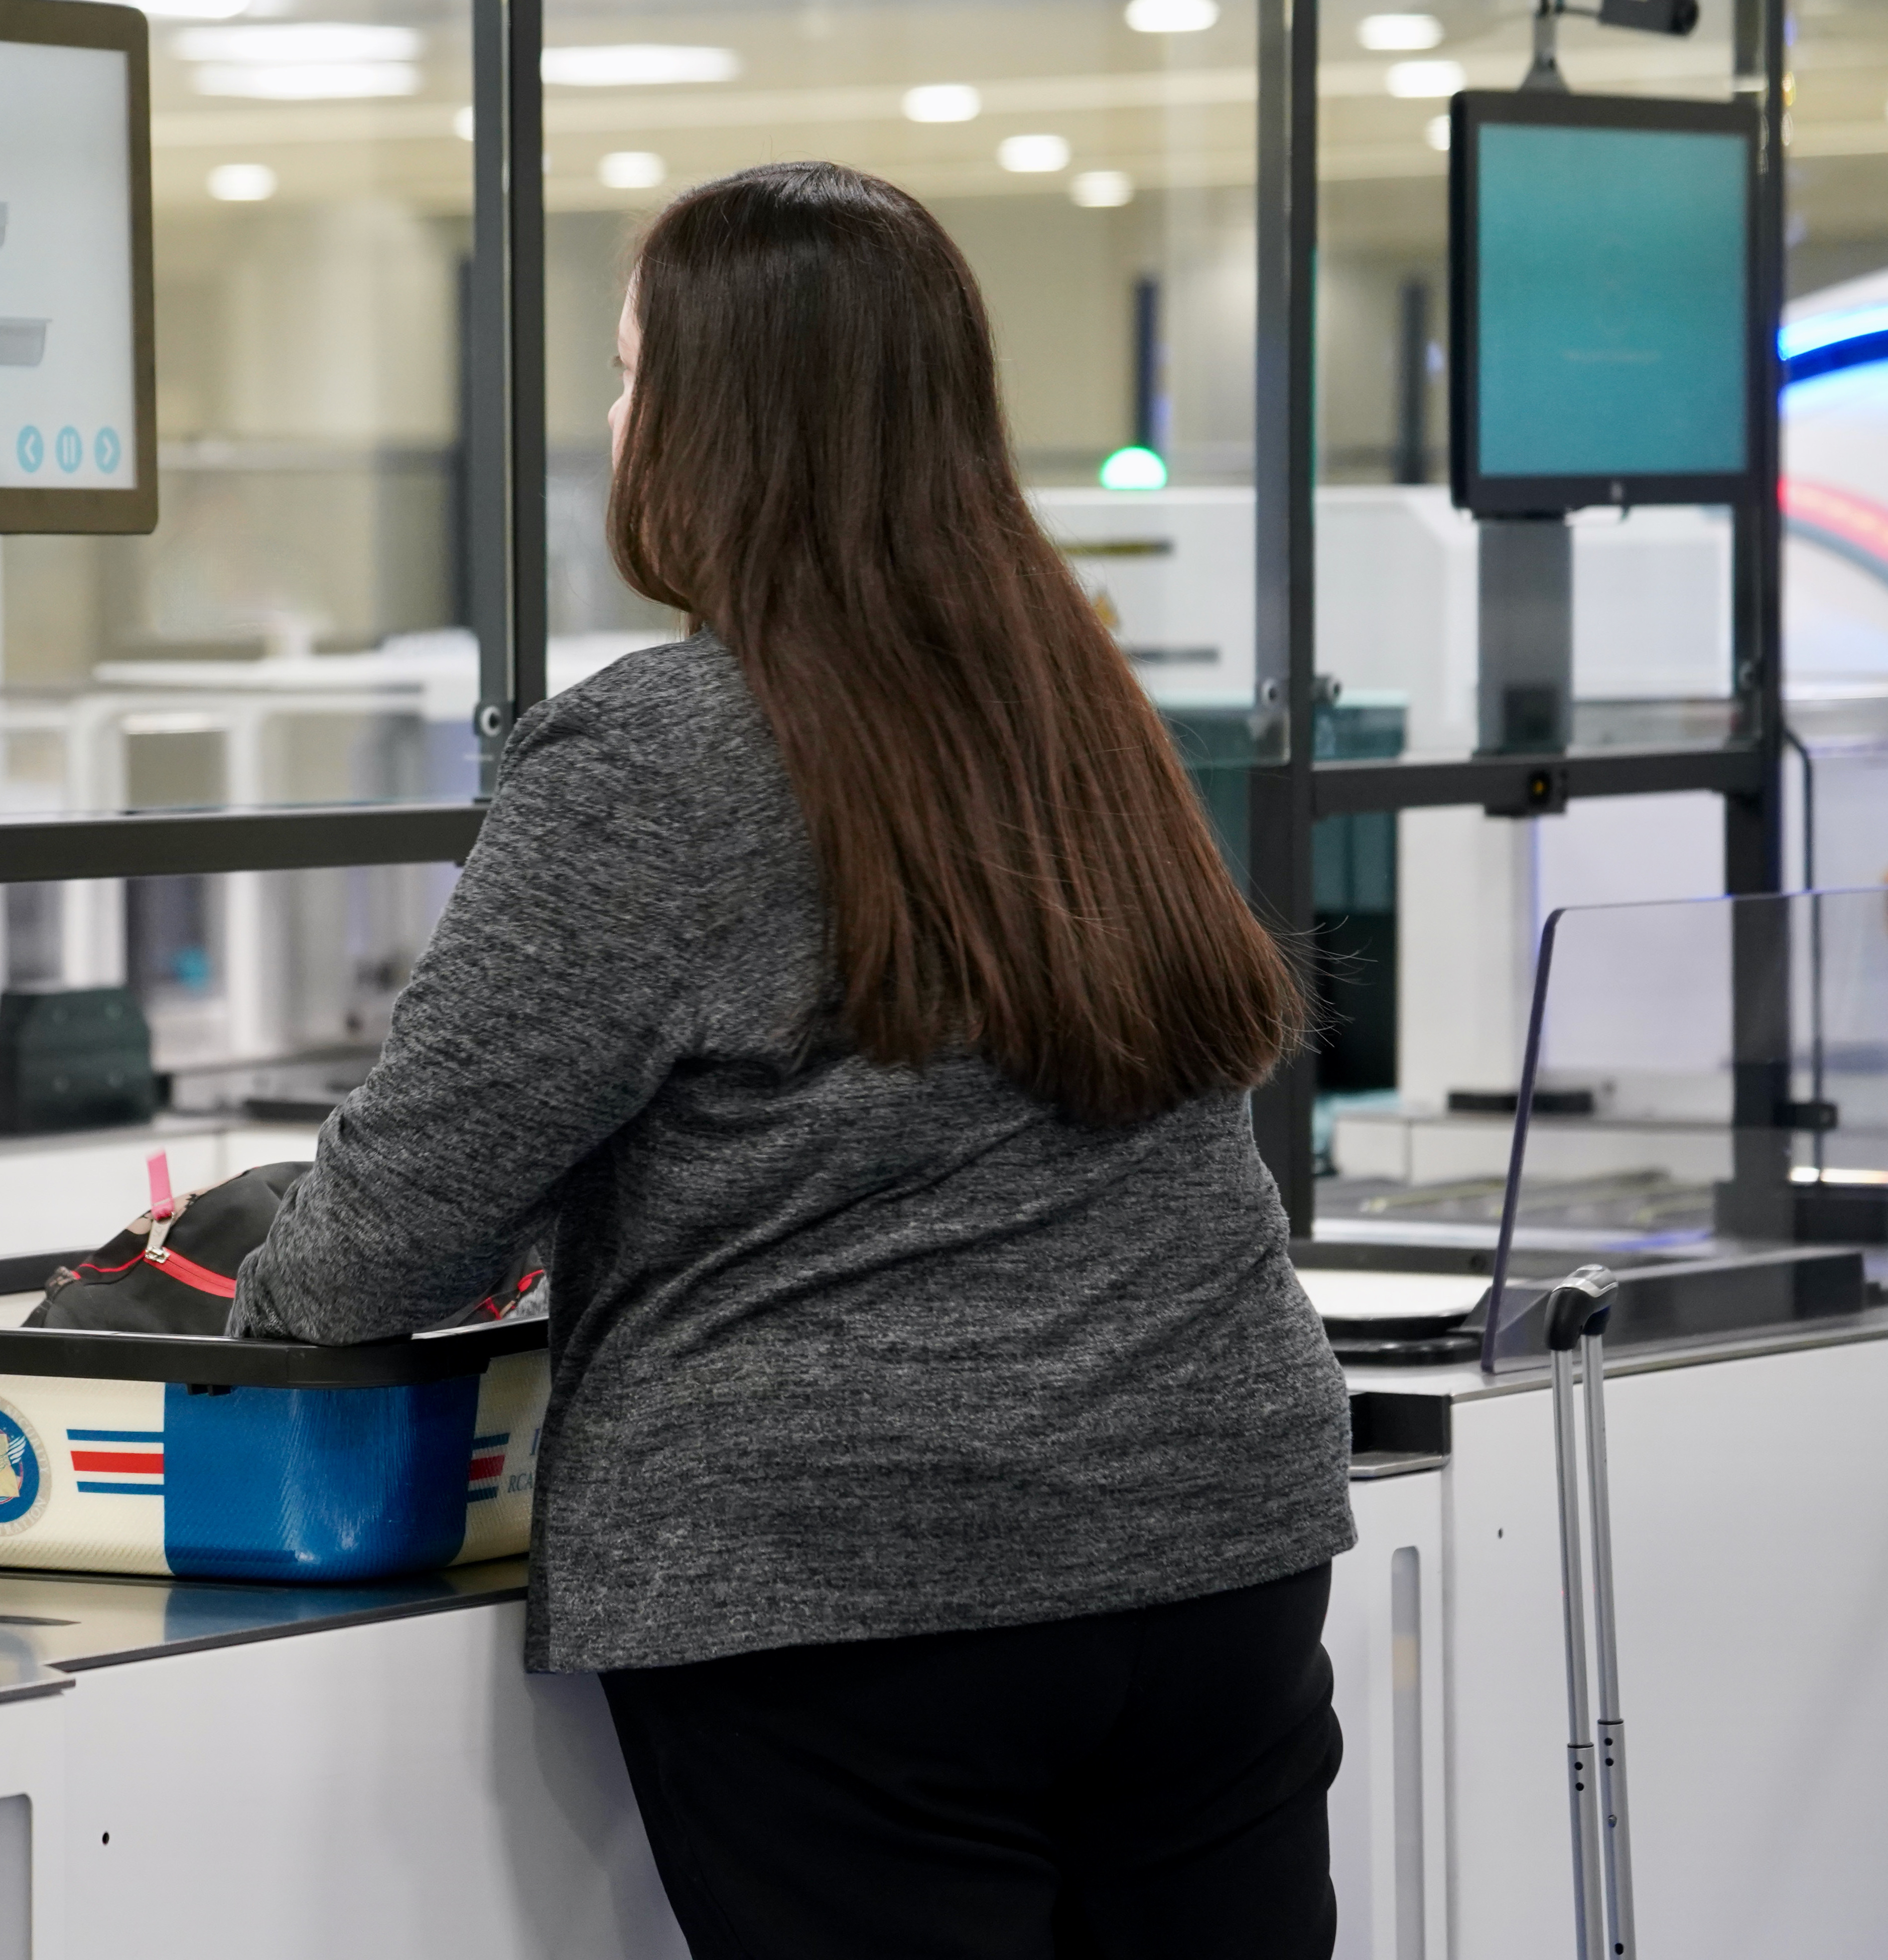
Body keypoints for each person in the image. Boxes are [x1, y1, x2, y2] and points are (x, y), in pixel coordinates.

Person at [229, 160, 1354, 1960]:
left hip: (858, 1590)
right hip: (1214, 1537)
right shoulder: (1076, 698)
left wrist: (235, 1304)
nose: (610, 420)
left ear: (713, 430)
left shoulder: (656, 755)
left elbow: (390, 1231)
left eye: (627, 376)